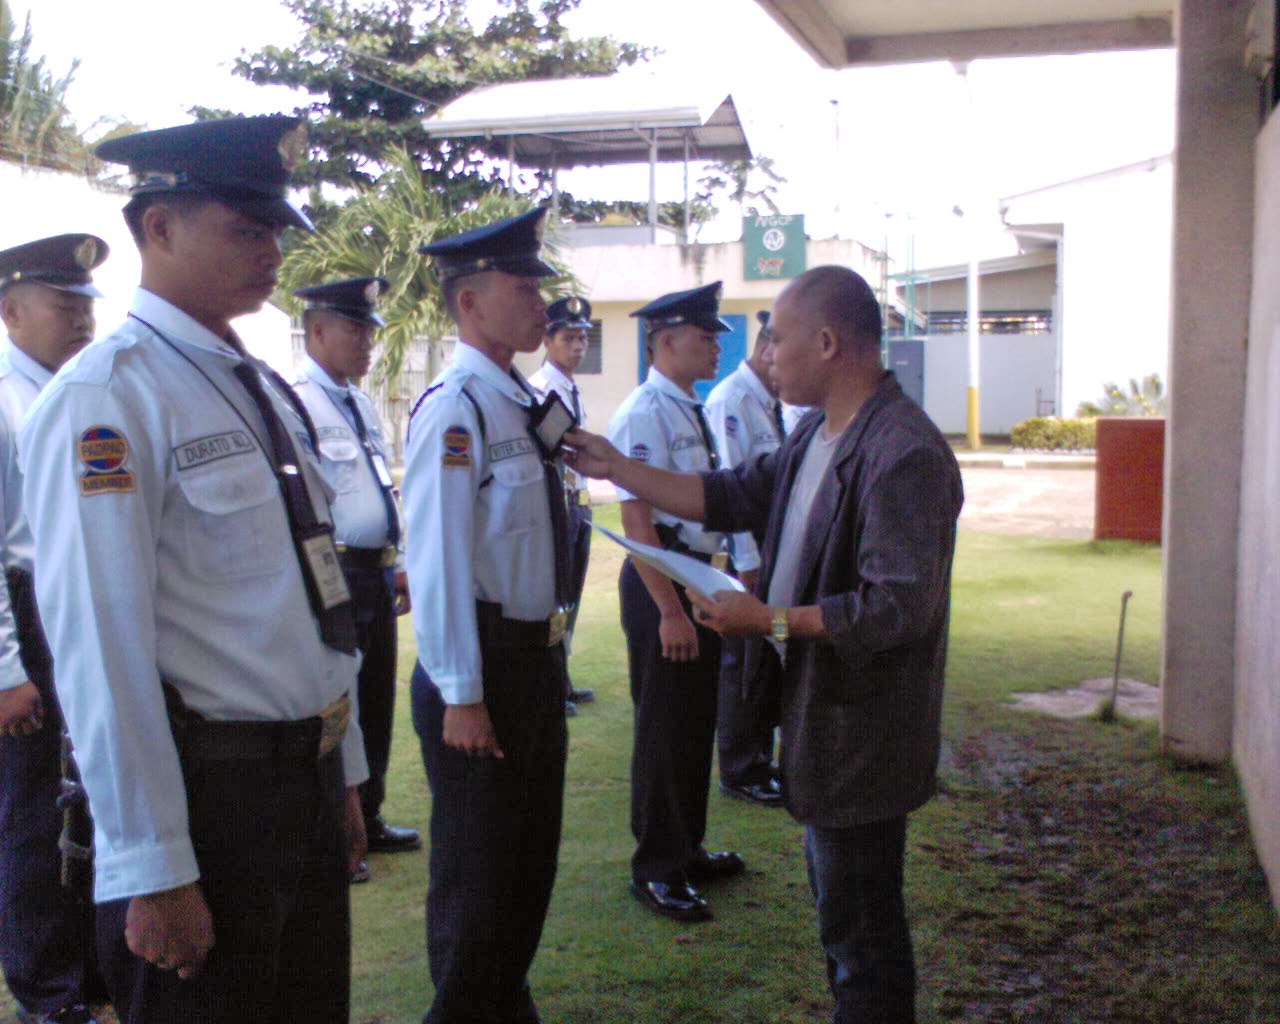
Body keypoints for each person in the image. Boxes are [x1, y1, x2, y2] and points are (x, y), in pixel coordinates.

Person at [19, 115, 369, 1024]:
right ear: (160, 227)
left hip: (299, 780)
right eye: (246, 228)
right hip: (210, 801)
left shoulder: (257, 384)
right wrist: (153, 866)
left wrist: (343, 773)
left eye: (275, 229)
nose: (271, 251)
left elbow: (310, 594)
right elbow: (100, 647)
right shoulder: (107, 395)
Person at [566, 265, 963, 1023]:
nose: (765, 354)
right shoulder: (817, 429)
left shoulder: (902, 451)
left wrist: (771, 621)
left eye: (776, 338)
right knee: (843, 915)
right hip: (823, 721)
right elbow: (730, 493)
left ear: (827, 342)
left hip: (863, 734)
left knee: (862, 934)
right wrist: (616, 466)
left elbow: (895, 609)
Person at [404, 206, 570, 1024]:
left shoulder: (521, 399)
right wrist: (461, 692)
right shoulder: (456, 408)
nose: (541, 301)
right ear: (470, 302)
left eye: (539, 285)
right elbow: (435, 560)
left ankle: (505, 1008)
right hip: (484, 671)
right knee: (479, 881)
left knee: (526, 868)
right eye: (523, 287)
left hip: (535, 661)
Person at [607, 281, 745, 923]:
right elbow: (638, 522)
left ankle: (687, 848)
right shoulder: (643, 413)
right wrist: (668, 610)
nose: (716, 345)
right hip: (663, 581)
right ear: (665, 341)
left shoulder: (690, 405)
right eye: (705, 335)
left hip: (698, 580)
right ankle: (657, 868)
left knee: (694, 722)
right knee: (665, 727)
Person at [0, 233, 108, 1024]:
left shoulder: (82, 390)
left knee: (98, 793)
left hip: (88, 608)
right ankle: (49, 992)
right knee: (36, 814)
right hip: (31, 618)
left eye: (86, 305)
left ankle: (95, 968)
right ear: (10, 312)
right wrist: (7, 670)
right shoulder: (6, 402)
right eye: (62, 304)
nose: (81, 318)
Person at [292, 277, 421, 884]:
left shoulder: (360, 403)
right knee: (338, 701)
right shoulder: (297, 402)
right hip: (335, 572)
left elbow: (379, 487)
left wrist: (397, 560)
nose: (368, 343)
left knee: (377, 698)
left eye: (370, 331)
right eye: (355, 330)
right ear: (317, 331)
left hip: (376, 570)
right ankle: (336, 829)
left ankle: (370, 814)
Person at [704, 309, 785, 807]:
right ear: (766, 348)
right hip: (746, 558)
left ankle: (759, 759)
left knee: (766, 658)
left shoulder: (769, 399)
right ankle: (740, 769)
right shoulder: (731, 401)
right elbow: (731, 490)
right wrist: (749, 565)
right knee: (743, 663)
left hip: (772, 551)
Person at [528, 294, 596, 715]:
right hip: (558, 505)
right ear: (547, 341)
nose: (578, 346)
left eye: (583, 338)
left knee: (572, 597)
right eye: (569, 338)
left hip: (579, 503)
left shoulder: (570, 388)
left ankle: (563, 678)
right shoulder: (539, 391)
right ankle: (551, 684)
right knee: (555, 598)